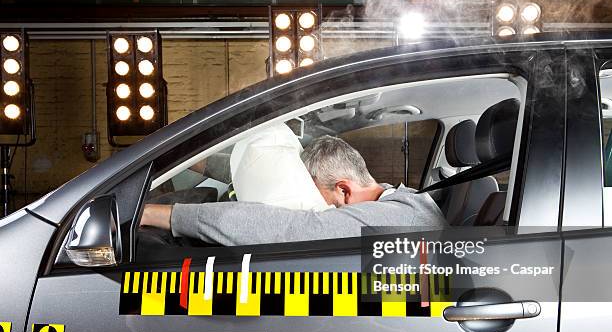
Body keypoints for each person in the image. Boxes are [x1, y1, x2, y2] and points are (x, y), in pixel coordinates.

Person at [140, 135, 446, 245]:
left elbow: (288, 228)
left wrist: (155, 213)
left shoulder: (387, 221)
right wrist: (197, 162)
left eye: (316, 199)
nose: (315, 206)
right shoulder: (402, 200)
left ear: (342, 191)